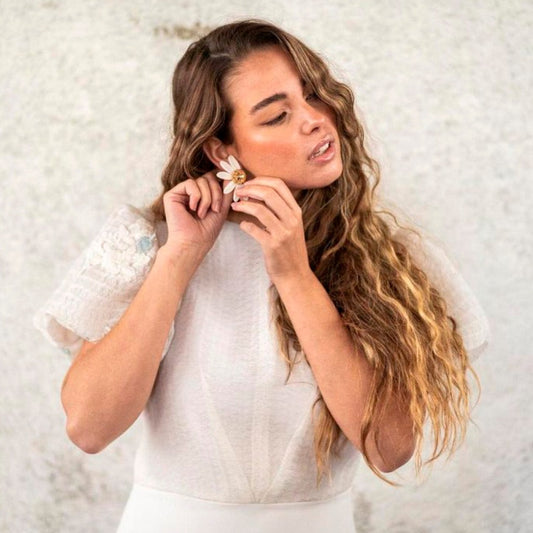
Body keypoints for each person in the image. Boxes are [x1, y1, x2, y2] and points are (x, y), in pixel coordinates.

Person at [32, 18, 491, 533]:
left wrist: (294, 274)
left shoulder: (390, 259)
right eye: (277, 115)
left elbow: (388, 447)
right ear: (222, 151)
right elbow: (89, 428)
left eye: (314, 94)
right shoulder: (150, 244)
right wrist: (180, 257)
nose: (315, 120)